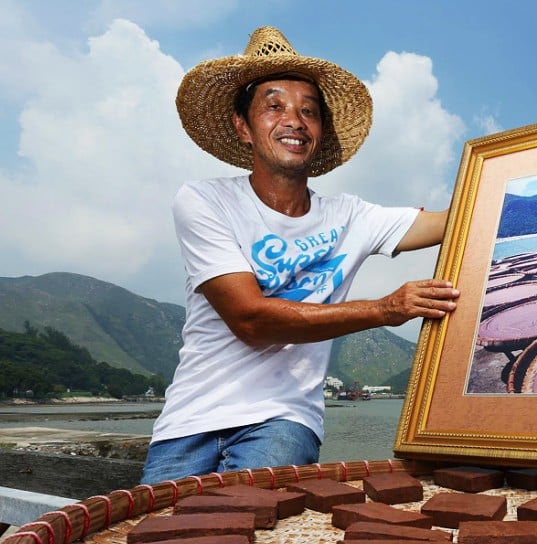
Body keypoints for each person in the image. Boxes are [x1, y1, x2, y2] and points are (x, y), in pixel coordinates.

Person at [140, 27, 459, 484]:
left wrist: (530, 160)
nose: (294, 119)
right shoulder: (204, 201)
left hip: (283, 420)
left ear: (320, 131)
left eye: (308, 111)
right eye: (274, 106)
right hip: (190, 420)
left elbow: (458, 219)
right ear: (242, 127)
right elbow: (250, 320)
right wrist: (385, 309)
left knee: (246, 527)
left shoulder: (351, 215)